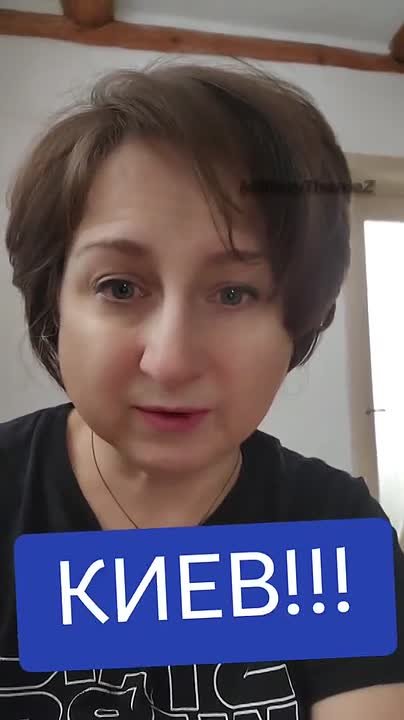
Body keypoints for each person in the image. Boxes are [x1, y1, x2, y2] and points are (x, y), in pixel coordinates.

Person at [0, 59, 403, 719]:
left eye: (234, 293)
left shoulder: (334, 525)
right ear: (54, 305)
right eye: (120, 287)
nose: (171, 361)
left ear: (300, 319)